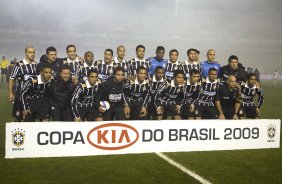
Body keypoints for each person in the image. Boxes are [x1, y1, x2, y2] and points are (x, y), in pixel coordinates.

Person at [8, 46, 37, 121]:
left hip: (32, 96)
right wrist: (10, 93)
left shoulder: (36, 64)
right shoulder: (19, 64)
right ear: (25, 53)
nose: (32, 54)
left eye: (33, 52)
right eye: (30, 52)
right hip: (20, 95)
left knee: (30, 117)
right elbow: (12, 78)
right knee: (19, 117)